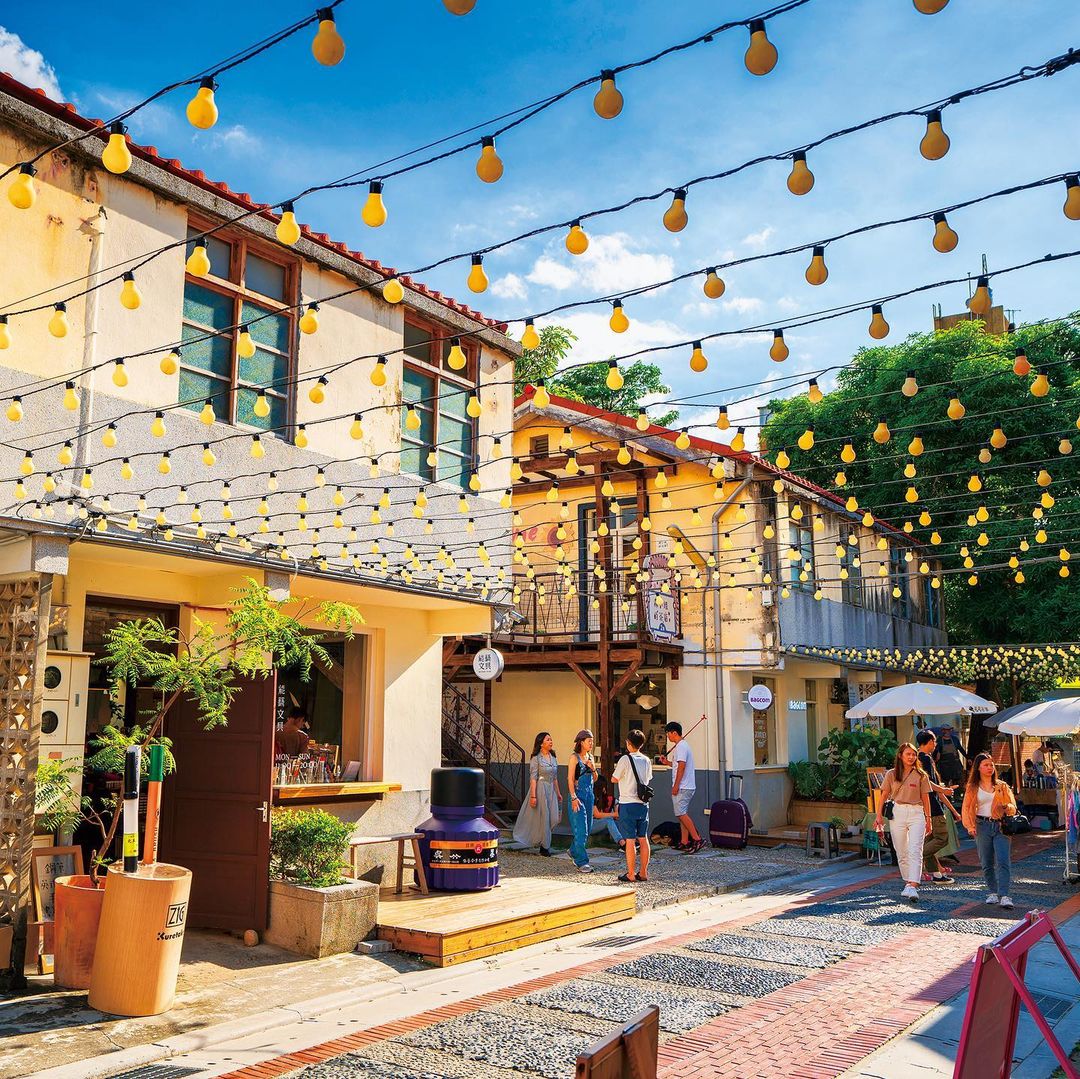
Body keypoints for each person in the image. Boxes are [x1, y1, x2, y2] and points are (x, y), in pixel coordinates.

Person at [875, 742, 932, 901]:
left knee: (915, 849)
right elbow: (884, 795)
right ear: (900, 756)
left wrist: (928, 819)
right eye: (908, 754)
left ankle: (913, 884)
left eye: (914, 754)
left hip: (917, 812)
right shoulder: (891, 774)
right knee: (901, 850)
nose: (911, 757)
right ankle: (908, 882)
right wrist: (878, 816)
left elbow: (926, 798)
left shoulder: (921, 775)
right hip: (897, 812)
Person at [961, 751, 1018, 908]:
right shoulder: (972, 787)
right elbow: (966, 808)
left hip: (1001, 826)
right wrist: (970, 826)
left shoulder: (1001, 786)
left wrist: (1007, 807)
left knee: (1003, 861)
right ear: (978, 768)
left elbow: (1013, 807)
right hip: (982, 825)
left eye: (991, 765)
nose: (989, 768)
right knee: (986, 862)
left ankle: (1004, 895)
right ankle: (993, 892)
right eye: (985, 765)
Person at [915, 729, 956, 884]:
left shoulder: (918, 757)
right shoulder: (925, 758)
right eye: (934, 741)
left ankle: (937, 874)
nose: (935, 744)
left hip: (926, 805)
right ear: (931, 741)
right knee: (942, 838)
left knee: (930, 841)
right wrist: (944, 790)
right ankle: (915, 855)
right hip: (932, 805)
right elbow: (928, 783)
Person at [612, 729, 653, 883]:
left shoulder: (625, 759)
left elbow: (614, 778)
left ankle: (630, 873)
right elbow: (648, 779)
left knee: (630, 839)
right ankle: (643, 872)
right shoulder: (646, 760)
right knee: (643, 837)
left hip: (627, 803)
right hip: (643, 803)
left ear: (628, 743)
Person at [512, 732, 562, 855]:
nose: (551, 742)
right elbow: (533, 778)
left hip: (551, 789)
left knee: (554, 818)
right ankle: (545, 847)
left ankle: (542, 840)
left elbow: (555, 778)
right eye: (548, 740)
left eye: (551, 739)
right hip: (541, 789)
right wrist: (533, 796)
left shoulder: (553, 757)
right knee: (545, 818)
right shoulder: (536, 758)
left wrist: (558, 793)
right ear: (541, 743)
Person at [664, 721, 704, 853]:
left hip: (683, 786)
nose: (667, 736)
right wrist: (667, 762)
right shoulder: (682, 745)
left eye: (668, 733)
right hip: (687, 785)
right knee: (682, 814)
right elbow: (677, 765)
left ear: (674, 732)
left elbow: (682, 766)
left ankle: (697, 839)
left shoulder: (681, 746)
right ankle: (684, 841)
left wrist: (676, 785)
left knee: (681, 813)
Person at [568, 729, 598, 873]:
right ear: (581, 742)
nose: (591, 743)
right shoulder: (574, 758)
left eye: (592, 741)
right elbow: (570, 779)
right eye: (589, 741)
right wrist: (573, 797)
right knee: (581, 830)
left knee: (588, 827)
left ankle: (573, 850)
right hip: (578, 795)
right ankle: (582, 862)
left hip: (589, 795)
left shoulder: (590, 757)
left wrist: (593, 768)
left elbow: (595, 778)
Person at [591, 774, 623, 849]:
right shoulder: (592, 797)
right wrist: (614, 814)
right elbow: (597, 815)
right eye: (604, 786)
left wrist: (616, 806)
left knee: (619, 822)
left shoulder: (605, 798)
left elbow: (615, 802)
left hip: (601, 826)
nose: (605, 788)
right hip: (591, 825)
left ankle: (631, 840)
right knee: (609, 820)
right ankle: (621, 843)